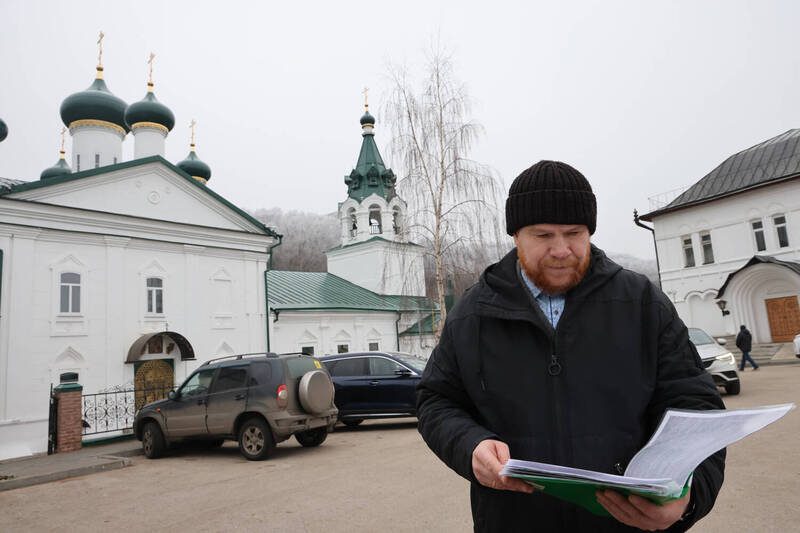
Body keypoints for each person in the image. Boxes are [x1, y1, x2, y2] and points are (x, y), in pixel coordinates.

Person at [416, 161, 726, 532]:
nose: (561, 250)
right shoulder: (472, 314)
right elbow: (436, 400)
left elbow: (696, 409)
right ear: (516, 236)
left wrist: (689, 500)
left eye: (574, 233)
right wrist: (470, 447)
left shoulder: (643, 304)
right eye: (543, 235)